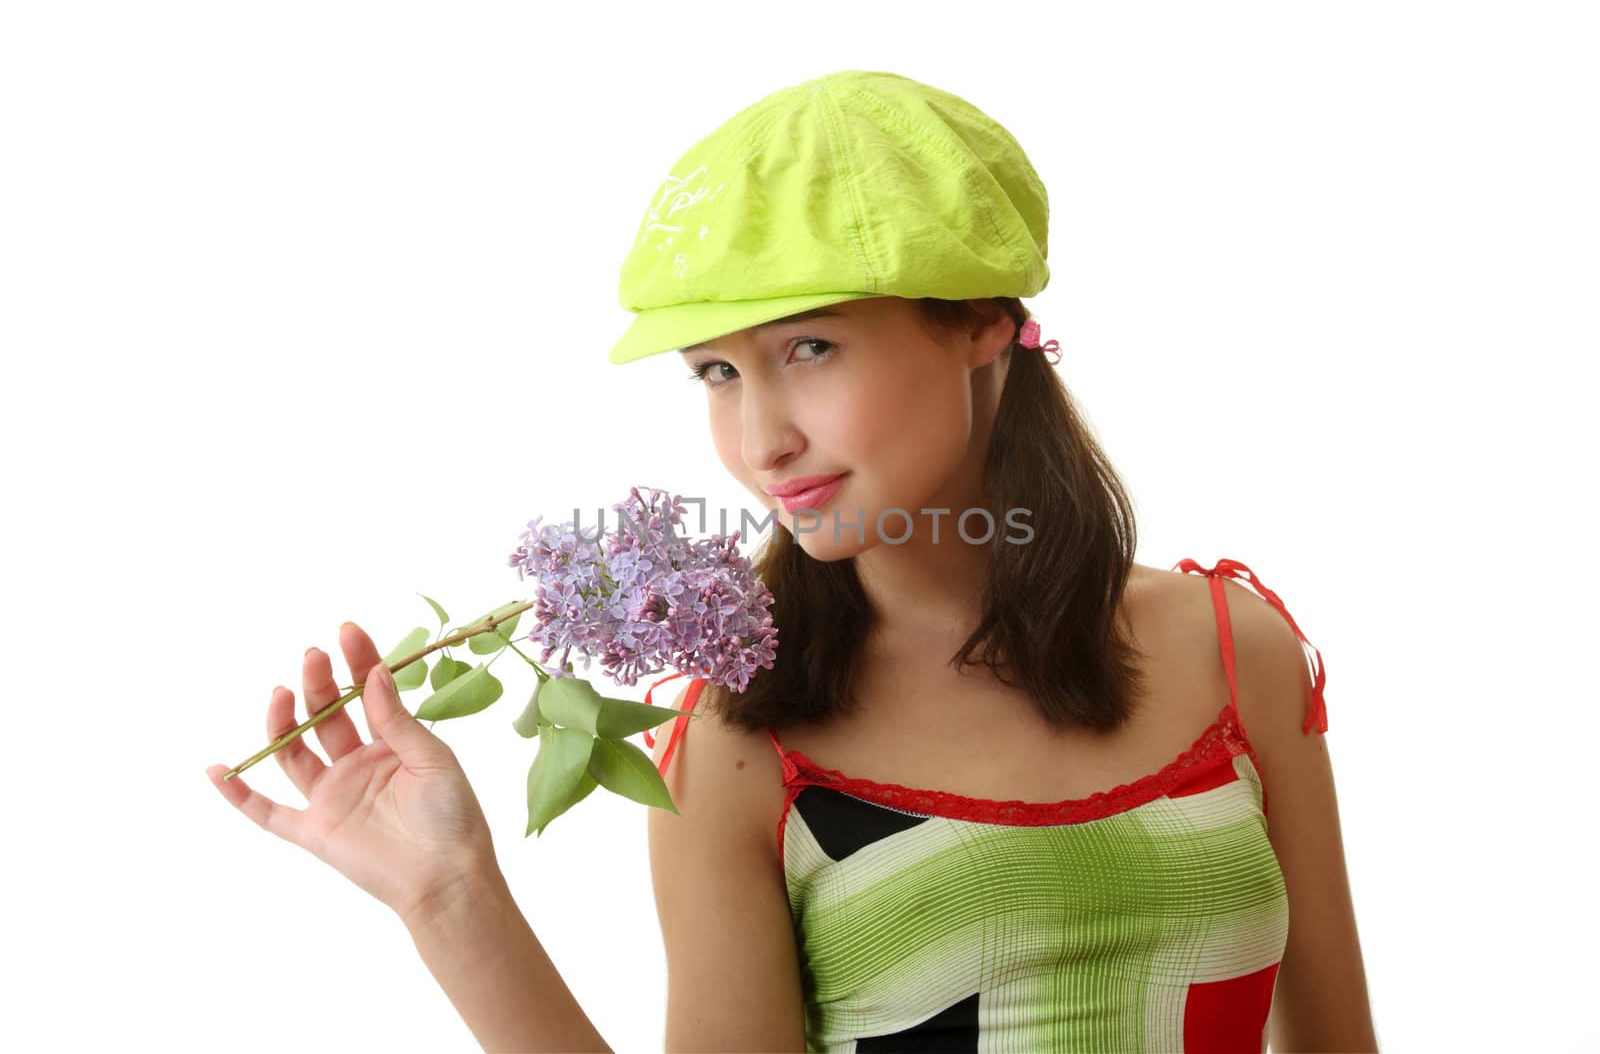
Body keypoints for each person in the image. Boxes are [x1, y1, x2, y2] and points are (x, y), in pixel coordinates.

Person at [207, 69, 1377, 1052]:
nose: (759, 438)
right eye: (716, 372)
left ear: (979, 319)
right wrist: (449, 896)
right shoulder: (739, 744)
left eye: (808, 348)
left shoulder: (1237, 650)